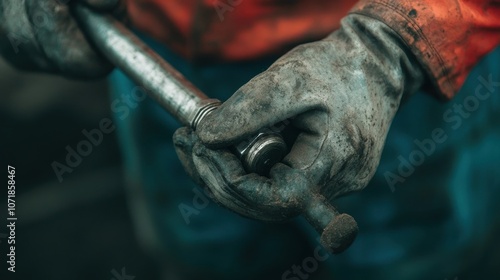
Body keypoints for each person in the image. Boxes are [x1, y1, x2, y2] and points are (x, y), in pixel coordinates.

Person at [1, 0, 499, 279]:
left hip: (379, 68)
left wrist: (393, 50)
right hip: (147, 41)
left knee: (414, 262)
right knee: (206, 256)